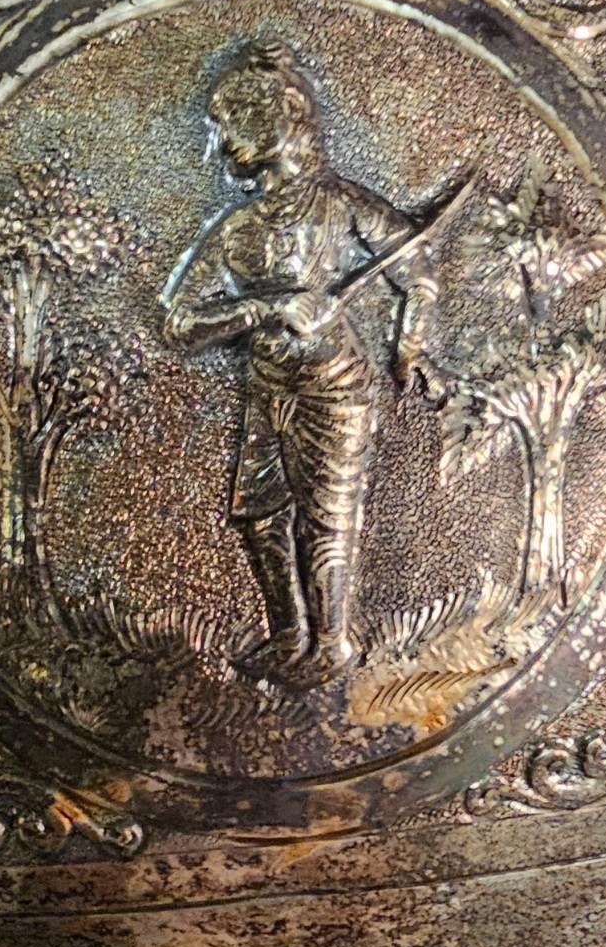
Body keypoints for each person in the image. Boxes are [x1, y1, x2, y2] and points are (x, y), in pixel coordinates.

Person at [164, 40, 440, 687]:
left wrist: (409, 348)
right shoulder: (237, 229)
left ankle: (333, 643)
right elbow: (179, 323)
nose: (221, 143)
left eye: (232, 124)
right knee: (261, 516)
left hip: (334, 387)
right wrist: (266, 309)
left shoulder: (342, 204)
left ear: (277, 121)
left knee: (326, 517)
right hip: (269, 385)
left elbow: (417, 272)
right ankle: (289, 636)